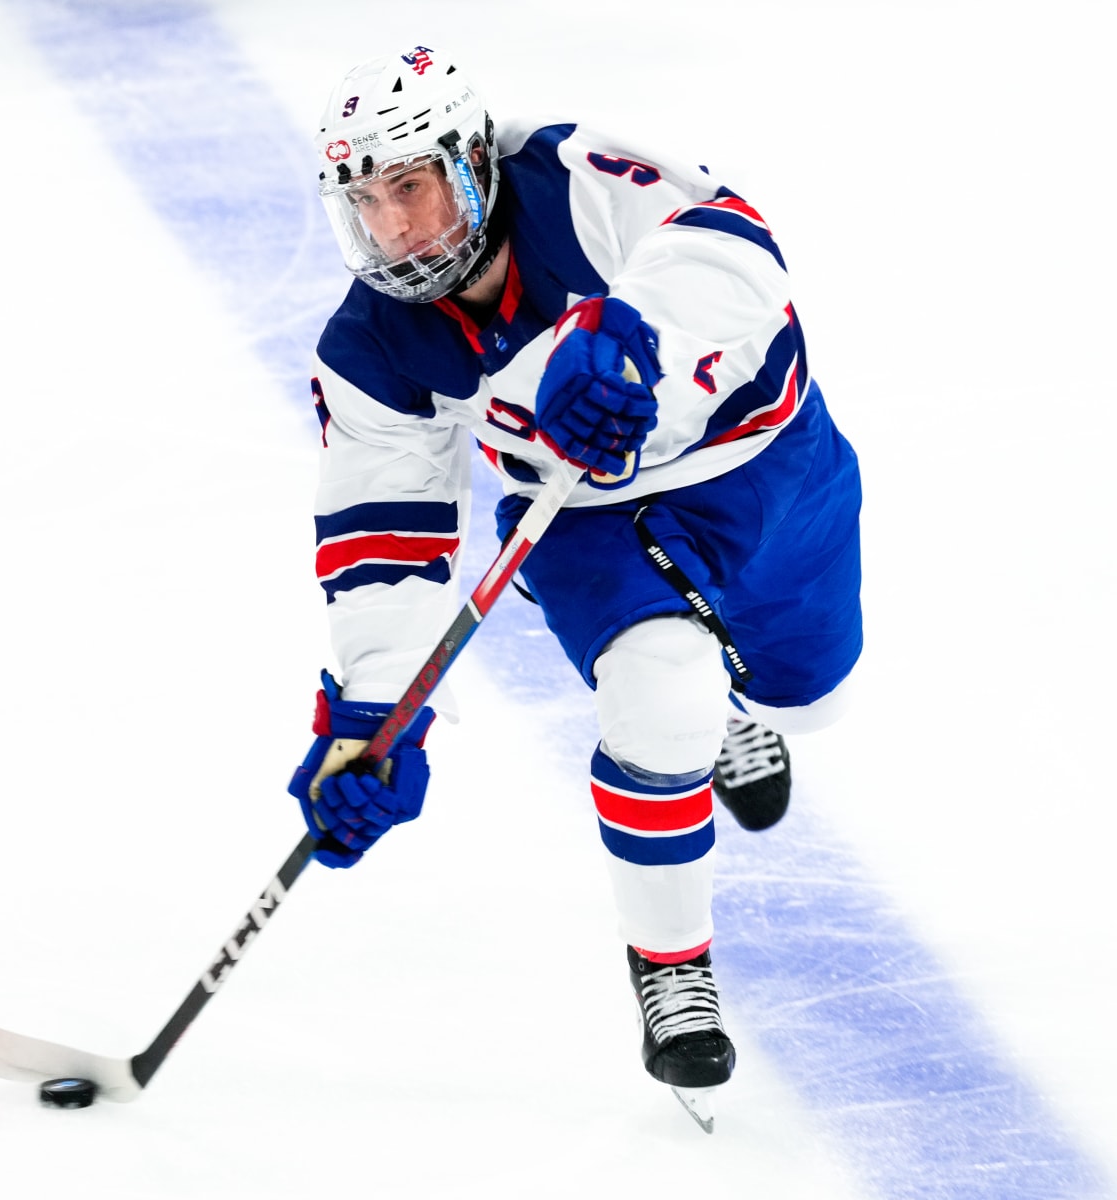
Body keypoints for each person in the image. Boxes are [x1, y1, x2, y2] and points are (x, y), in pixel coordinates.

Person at [285, 45, 862, 1122]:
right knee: (664, 697)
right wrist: (372, 713)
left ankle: (740, 701)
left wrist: (639, 340)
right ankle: (672, 969)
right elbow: (382, 535)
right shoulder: (370, 347)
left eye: (410, 187)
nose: (395, 229)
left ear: (471, 160)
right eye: (366, 202)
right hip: (586, 520)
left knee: (812, 700)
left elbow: (739, 252)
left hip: (770, 473)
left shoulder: (580, 176)